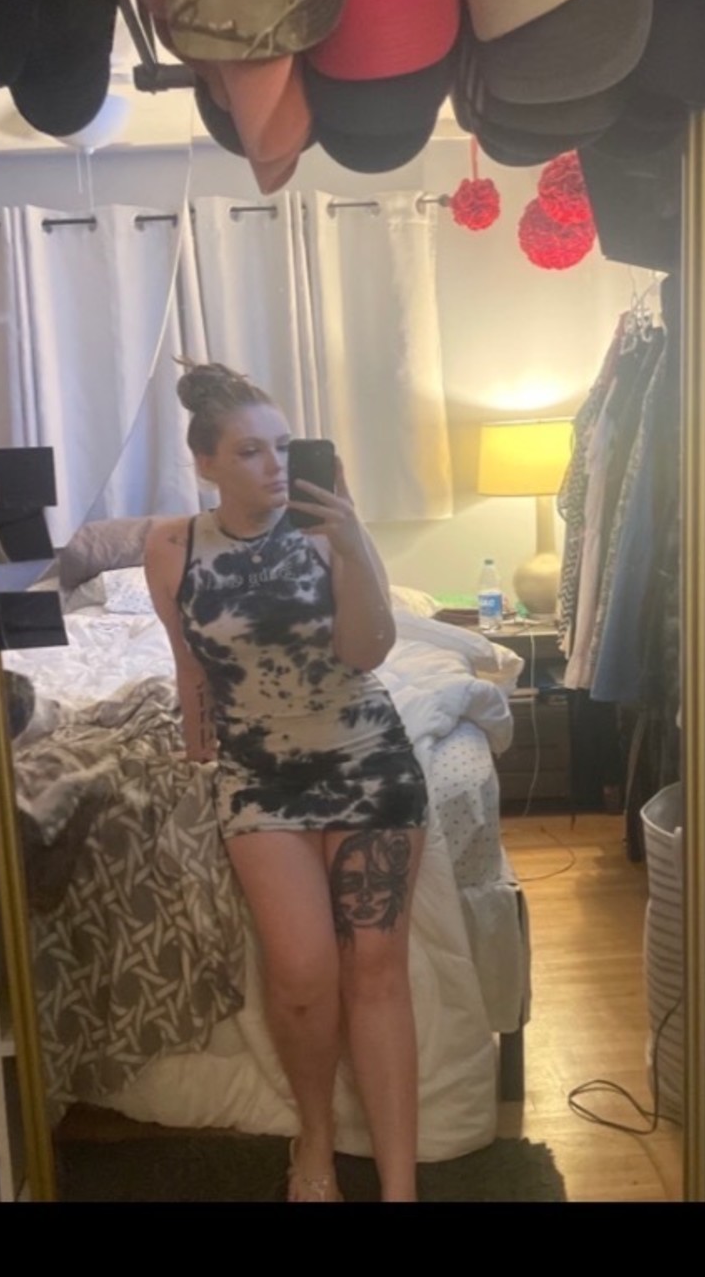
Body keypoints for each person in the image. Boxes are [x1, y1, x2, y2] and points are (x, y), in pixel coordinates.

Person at [144, 361, 429, 1203]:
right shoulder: (170, 546)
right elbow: (190, 660)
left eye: (282, 446)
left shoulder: (328, 530)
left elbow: (369, 650)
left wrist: (352, 541)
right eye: (249, 451)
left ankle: (401, 1187)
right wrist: (194, 741)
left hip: (367, 757)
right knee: (303, 973)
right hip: (259, 777)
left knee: (376, 965)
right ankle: (314, 1139)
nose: (274, 465)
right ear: (205, 463)